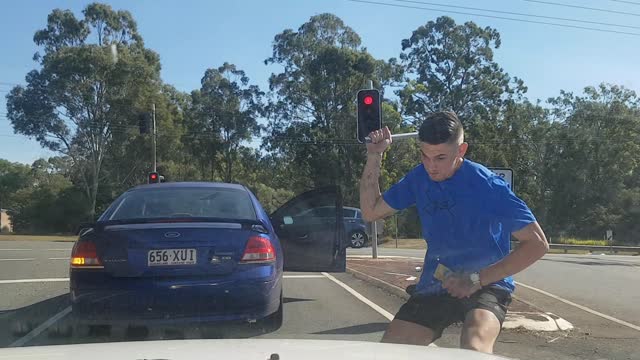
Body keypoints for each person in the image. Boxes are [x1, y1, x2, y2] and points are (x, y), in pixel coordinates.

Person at [359, 111, 549, 353]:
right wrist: (374, 155)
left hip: (486, 283)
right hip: (437, 282)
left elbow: (537, 244)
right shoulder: (418, 178)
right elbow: (370, 212)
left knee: (474, 347)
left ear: (461, 150)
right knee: (390, 352)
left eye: (440, 157)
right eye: (425, 156)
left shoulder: (487, 185)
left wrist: (475, 280)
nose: (431, 166)